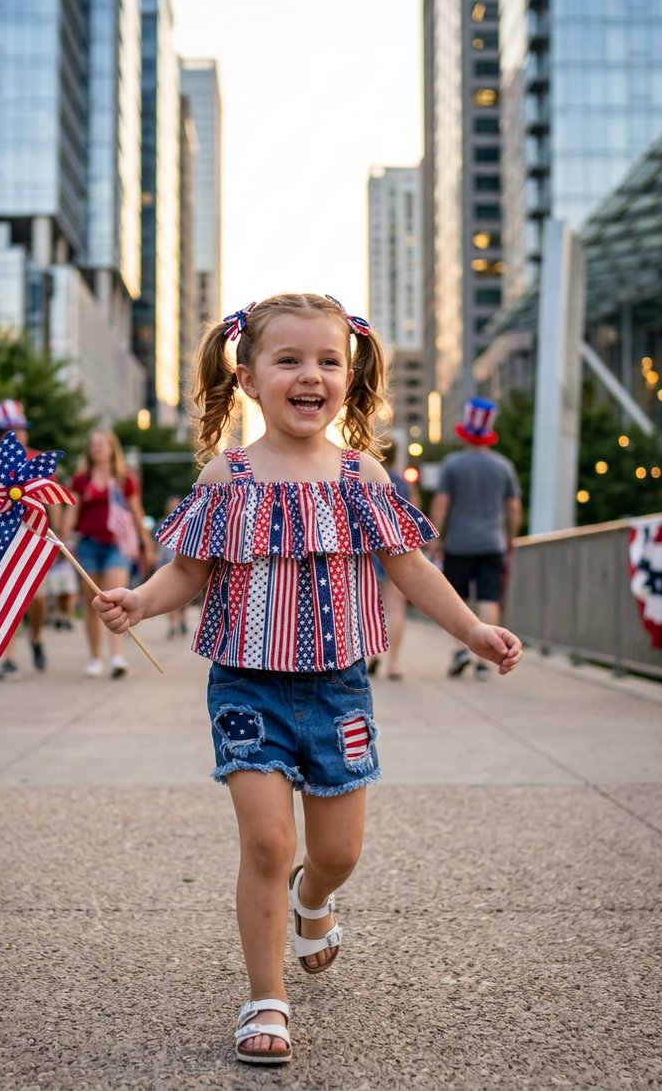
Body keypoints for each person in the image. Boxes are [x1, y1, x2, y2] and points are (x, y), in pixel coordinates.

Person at [92, 293, 523, 1065]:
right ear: (249, 377)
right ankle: (265, 997)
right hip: (245, 687)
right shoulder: (229, 475)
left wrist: (473, 630)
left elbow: (410, 564)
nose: (309, 375)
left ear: (348, 375)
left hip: (338, 689)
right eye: (287, 359)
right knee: (265, 839)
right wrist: (140, 602)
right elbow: (187, 570)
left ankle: (313, 899)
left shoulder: (363, 474)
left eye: (326, 361)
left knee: (338, 851)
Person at [429, 397, 522, 681]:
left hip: (459, 543)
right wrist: (510, 537)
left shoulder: (452, 464)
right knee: (488, 598)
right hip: (493, 542)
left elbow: (442, 503)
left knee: (456, 598)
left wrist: (435, 537)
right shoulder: (504, 467)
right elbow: (514, 508)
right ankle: (486, 660)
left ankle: (461, 651)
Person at [63, 430, 155, 678]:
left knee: (113, 600)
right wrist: (61, 536)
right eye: (92, 444)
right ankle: (95, 657)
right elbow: (72, 511)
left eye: (102, 444)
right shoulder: (81, 480)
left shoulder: (125, 479)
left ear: (112, 448)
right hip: (88, 546)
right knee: (93, 604)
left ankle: (117, 656)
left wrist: (146, 545)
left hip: (117, 545)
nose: (97, 447)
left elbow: (136, 513)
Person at [0, 400, 52, 681]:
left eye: (20, 429)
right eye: (8, 430)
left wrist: (60, 532)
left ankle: (36, 637)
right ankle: (10, 658)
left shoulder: (39, 460)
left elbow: (55, 500)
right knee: (7, 599)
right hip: (0, 538)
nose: (16, 434)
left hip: (34, 536)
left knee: (37, 600)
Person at [366, 440, 418, 680]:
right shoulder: (403, 482)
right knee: (395, 607)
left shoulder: (366, 476)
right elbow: (414, 514)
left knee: (367, 606)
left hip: (369, 549)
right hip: (397, 547)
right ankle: (393, 664)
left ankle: (371, 656)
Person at [155, 495, 189, 638]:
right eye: (172, 505)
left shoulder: (188, 520)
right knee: (170, 596)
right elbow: (158, 544)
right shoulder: (163, 523)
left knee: (185, 598)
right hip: (167, 560)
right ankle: (173, 624)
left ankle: (181, 619)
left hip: (184, 560)